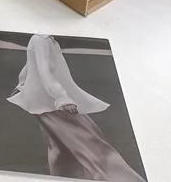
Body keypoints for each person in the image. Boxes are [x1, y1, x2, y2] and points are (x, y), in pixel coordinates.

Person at [8, 34, 145, 181]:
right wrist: (62, 98)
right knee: (89, 142)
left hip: (44, 101)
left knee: (61, 146)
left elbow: (32, 63)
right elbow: (44, 70)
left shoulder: (42, 39)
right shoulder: (42, 39)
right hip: (52, 102)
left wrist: (22, 83)